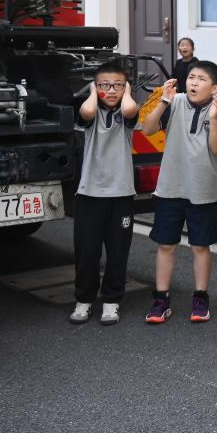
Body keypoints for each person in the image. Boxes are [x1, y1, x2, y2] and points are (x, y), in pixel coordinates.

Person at [140, 61, 217, 324]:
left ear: (214, 88)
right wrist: (163, 101)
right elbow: (148, 130)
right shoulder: (174, 101)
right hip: (170, 187)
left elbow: (216, 149)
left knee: (201, 246)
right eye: (191, 77)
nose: (193, 83)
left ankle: (200, 297)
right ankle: (161, 298)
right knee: (166, 244)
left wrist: (213, 118)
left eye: (201, 79)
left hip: (202, 190)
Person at [70, 61, 140, 325]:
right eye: (104, 86)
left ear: (126, 87)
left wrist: (128, 92)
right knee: (87, 251)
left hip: (121, 195)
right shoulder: (91, 113)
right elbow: (86, 112)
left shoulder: (127, 112)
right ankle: (84, 300)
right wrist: (91, 92)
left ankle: (111, 301)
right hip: (90, 193)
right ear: (95, 87)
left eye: (117, 85)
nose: (111, 90)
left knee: (118, 251)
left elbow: (131, 108)